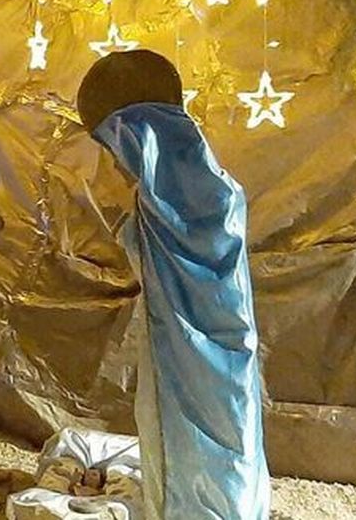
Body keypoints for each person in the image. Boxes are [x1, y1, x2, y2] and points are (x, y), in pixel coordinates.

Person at [76, 49, 270, 520]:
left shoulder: (177, 199)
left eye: (115, 152)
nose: (116, 168)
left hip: (200, 353)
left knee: (205, 440)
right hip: (196, 348)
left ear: (140, 138)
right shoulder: (198, 188)